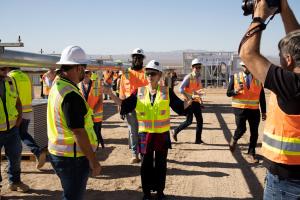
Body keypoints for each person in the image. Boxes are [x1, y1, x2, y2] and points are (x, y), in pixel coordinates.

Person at [104, 60, 191, 200]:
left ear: (159, 75)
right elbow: (125, 105)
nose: (150, 76)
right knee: (146, 166)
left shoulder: (167, 92)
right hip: (145, 134)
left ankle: (160, 192)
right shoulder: (139, 92)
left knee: (161, 166)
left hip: (162, 134)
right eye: (148, 73)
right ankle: (146, 193)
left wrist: (191, 99)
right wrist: (111, 94)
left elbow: (180, 108)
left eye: (153, 73)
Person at [239, 0, 300, 199]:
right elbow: (297, 42)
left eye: (281, 56)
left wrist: (259, 16)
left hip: (287, 182)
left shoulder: (291, 85)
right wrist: (283, 6)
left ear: (289, 60)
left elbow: (248, 54)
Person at [47, 45, 101, 200]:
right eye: (84, 68)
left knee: (69, 194)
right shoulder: (70, 95)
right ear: (77, 68)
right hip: (72, 158)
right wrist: (94, 161)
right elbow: (78, 132)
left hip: (60, 154)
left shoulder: (59, 86)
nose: (85, 72)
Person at [8, 67, 47, 169]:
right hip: (28, 110)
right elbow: (32, 96)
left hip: (16, 112)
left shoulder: (10, 77)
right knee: (23, 134)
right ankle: (37, 152)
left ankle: (36, 152)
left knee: (16, 136)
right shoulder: (26, 77)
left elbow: (10, 96)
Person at [227, 62, 266, 163]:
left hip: (254, 110)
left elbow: (262, 96)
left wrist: (264, 111)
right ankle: (234, 139)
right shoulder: (235, 77)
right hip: (240, 109)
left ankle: (251, 153)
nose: (247, 67)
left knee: (254, 133)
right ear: (242, 66)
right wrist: (235, 91)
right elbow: (228, 93)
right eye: (245, 66)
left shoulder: (258, 79)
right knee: (241, 129)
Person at [0, 66, 30, 195]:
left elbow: (17, 101)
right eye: (2, 69)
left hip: (12, 129)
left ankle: (15, 182)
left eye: (6, 68)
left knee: (15, 157)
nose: (6, 71)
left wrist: (18, 120)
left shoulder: (9, 81)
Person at [119, 48, 148, 164]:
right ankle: (134, 154)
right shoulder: (126, 73)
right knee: (132, 131)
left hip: (143, 107)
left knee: (143, 131)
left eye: (140, 57)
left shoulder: (146, 73)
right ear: (132, 58)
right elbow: (122, 90)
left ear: (142, 59)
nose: (137, 59)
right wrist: (121, 107)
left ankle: (144, 153)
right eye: (135, 57)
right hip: (129, 107)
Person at [171, 58, 205, 144]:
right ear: (192, 67)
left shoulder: (199, 78)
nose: (198, 69)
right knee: (189, 121)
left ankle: (198, 139)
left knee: (200, 120)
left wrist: (201, 101)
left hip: (196, 102)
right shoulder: (188, 77)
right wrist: (190, 97)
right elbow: (180, 89)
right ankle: (175, 130)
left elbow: (198, 91)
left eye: (199, 67)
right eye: (196, 67)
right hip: (189, 102)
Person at [79, 69, 105, 149]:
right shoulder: (78, 85)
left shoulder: (96, 84)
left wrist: (92, 111)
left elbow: (100, 100)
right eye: (84, 73)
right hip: (84, 115)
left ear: (90, 73)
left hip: (96, 115)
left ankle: (95, 148)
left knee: (95, 132)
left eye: (87, 72)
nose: (86, 74)